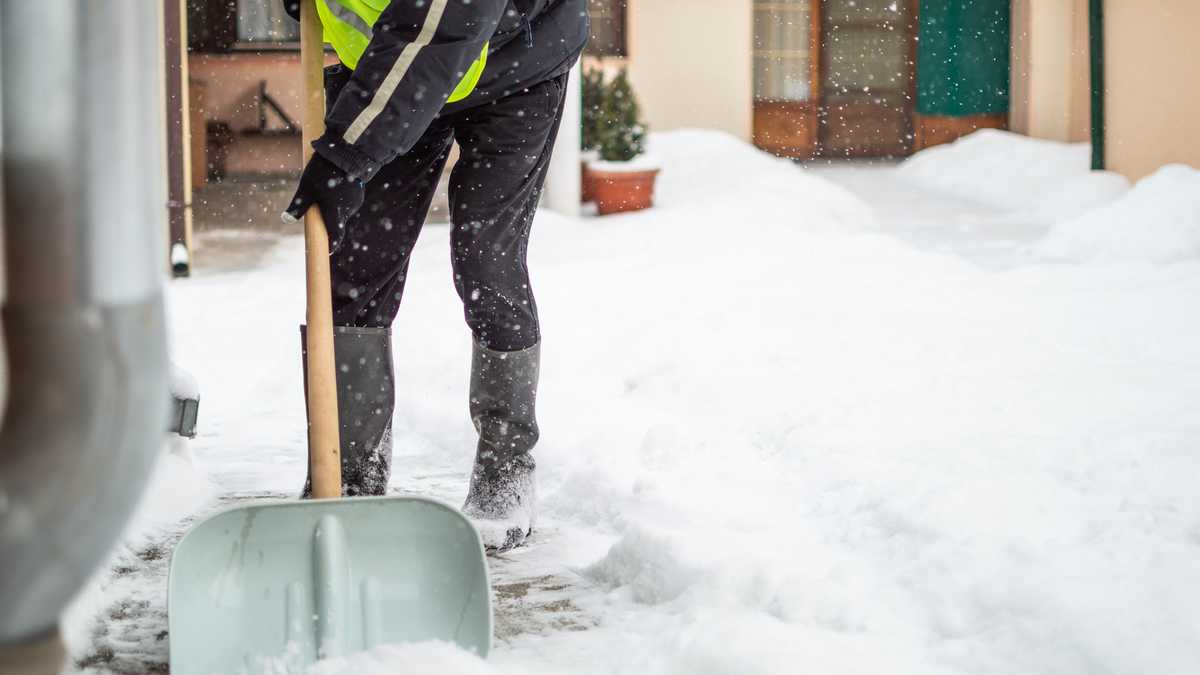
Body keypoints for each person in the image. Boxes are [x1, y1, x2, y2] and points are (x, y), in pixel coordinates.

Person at [281, 0, 588, 551]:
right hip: (391, 63)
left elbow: (444, 26)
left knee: (486, 262)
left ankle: (505, 466)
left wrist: (346, 156)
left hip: (515, 63)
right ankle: (347, 473)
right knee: (356, 268)